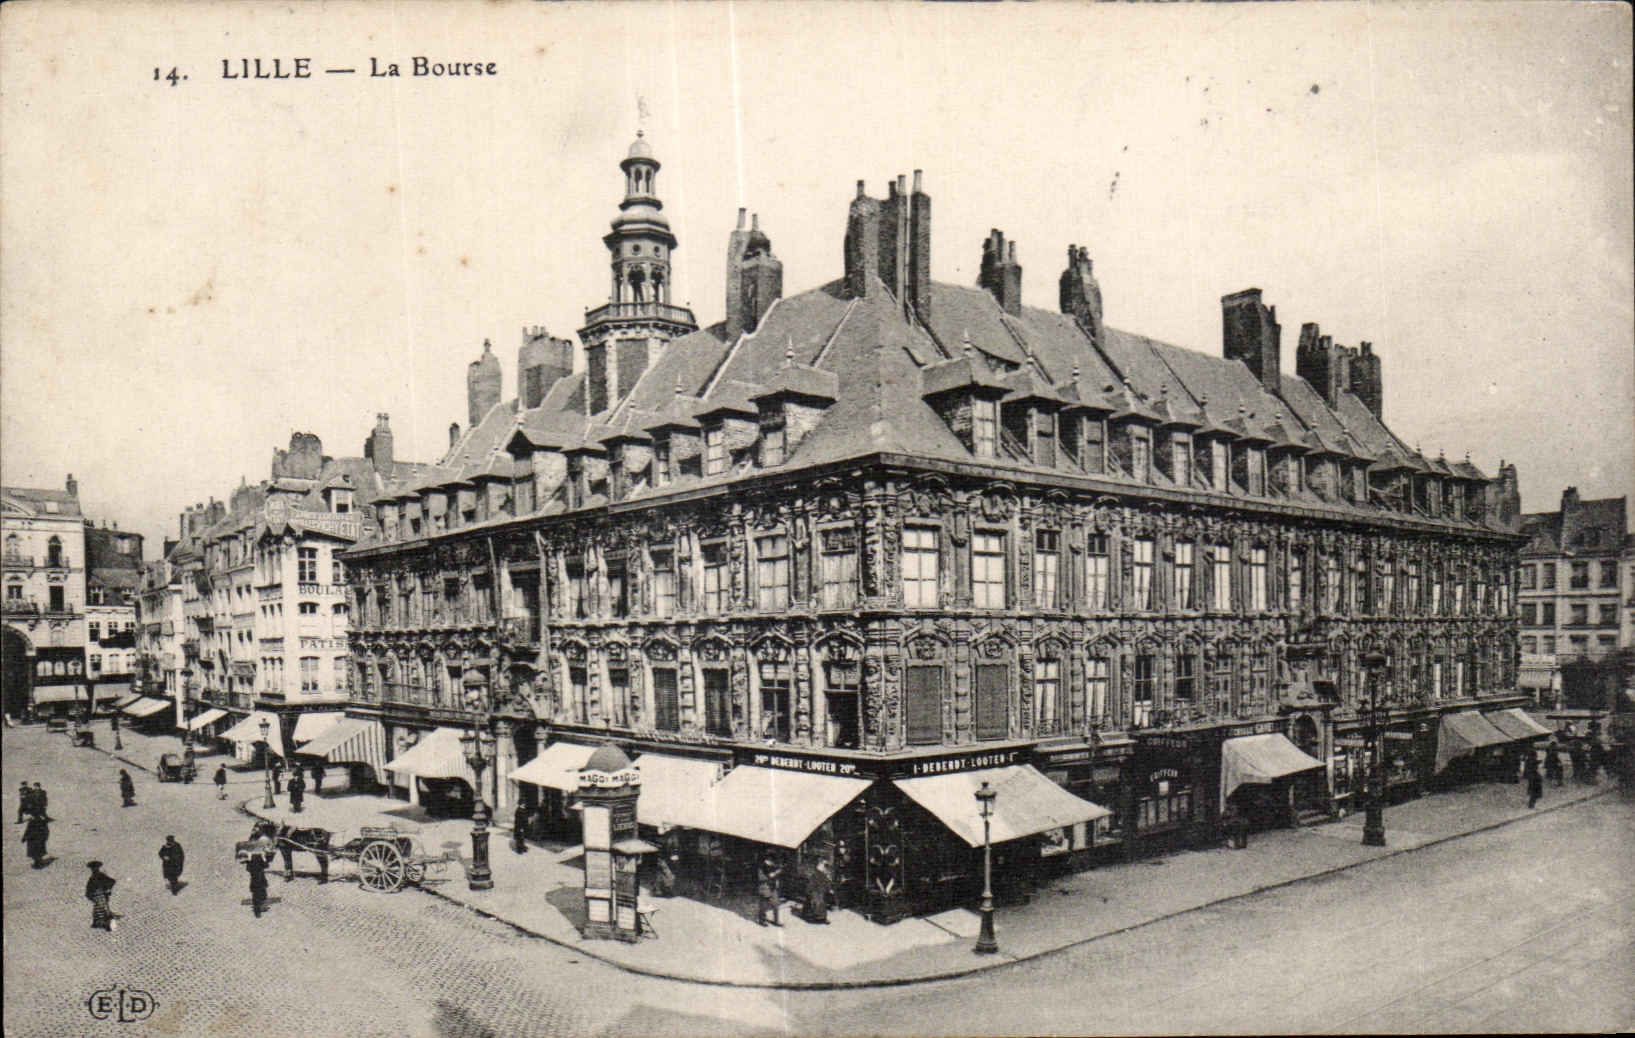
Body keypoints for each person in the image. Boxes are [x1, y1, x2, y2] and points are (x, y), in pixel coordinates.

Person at [85, 861, 116, 930]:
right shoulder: (94, 877)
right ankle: (98, 922)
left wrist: (108, 889)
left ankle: (106, 924)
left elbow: (112, 881)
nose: (94, 870)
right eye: (93, 869)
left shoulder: (100, 876)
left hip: (101, 894)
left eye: (95, 869)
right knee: (100, 908)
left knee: (102, 908)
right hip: (97, 895)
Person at [756, 854, 783, 927]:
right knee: (764, 904)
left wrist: (777, 880)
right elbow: (770, 875)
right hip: (764, 886)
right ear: (767, 859)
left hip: (772, 886)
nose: (773, 862)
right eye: (771, 860)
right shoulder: (763, 866)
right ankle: (761, 919)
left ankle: (776, 920)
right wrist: (778, 872)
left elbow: (775, 876)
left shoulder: (772, 866)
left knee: (776, 903)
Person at [244, 848, 271, 918]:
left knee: (256, 890)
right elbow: (266, 864)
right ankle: (261, 905)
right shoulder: (260, 855)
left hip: (254, 876)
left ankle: (258, 907)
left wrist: (248, 858)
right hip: (260, 876)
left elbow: (247, 867)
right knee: (261, 889)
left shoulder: (251, 856)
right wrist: (264, 857)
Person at [804, 858, 832, 924]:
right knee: (816, 903)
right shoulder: (815, 873)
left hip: (820, 890)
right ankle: (815, 917)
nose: (823, 867)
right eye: (822, 865)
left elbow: (826, 882)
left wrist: (828, 887)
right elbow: (811, 883)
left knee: (820, 904)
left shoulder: (824, 873)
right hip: (815, 891)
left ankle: (821, 918)